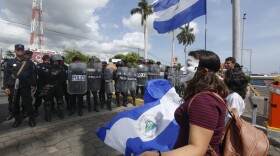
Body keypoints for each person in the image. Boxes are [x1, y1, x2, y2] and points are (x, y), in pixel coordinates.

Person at [140, 50, 229, 156]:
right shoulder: (207, 95)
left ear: (204, 71)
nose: (182, 68)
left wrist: (157, 155)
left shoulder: (204, 100)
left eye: (189, 65)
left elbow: (196, 149)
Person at [3, 44, 37, 128]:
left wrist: (33, 84)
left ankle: (31, 119)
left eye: (21, 50)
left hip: (25, 85)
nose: (20, 51)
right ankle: (17, 120)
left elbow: (33, 74)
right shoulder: (10, 62)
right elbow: (6, 75)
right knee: (15, 104)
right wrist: (5, 87)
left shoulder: (29, 62)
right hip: (12, 86)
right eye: (18, 50)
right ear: (15, 51)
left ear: (23, 51)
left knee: (28, 103)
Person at [42, 54, 65, 121]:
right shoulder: (47, 68)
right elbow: (43, 79)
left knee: (60, 101)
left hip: (58, 87)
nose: (57, 62)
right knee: (47, 103)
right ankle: (48, 117)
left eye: (58, 61)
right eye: (55, 61)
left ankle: (61, 115)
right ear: (52, 61)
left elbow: (64, 78)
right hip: (48, 87)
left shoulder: (61, 68)